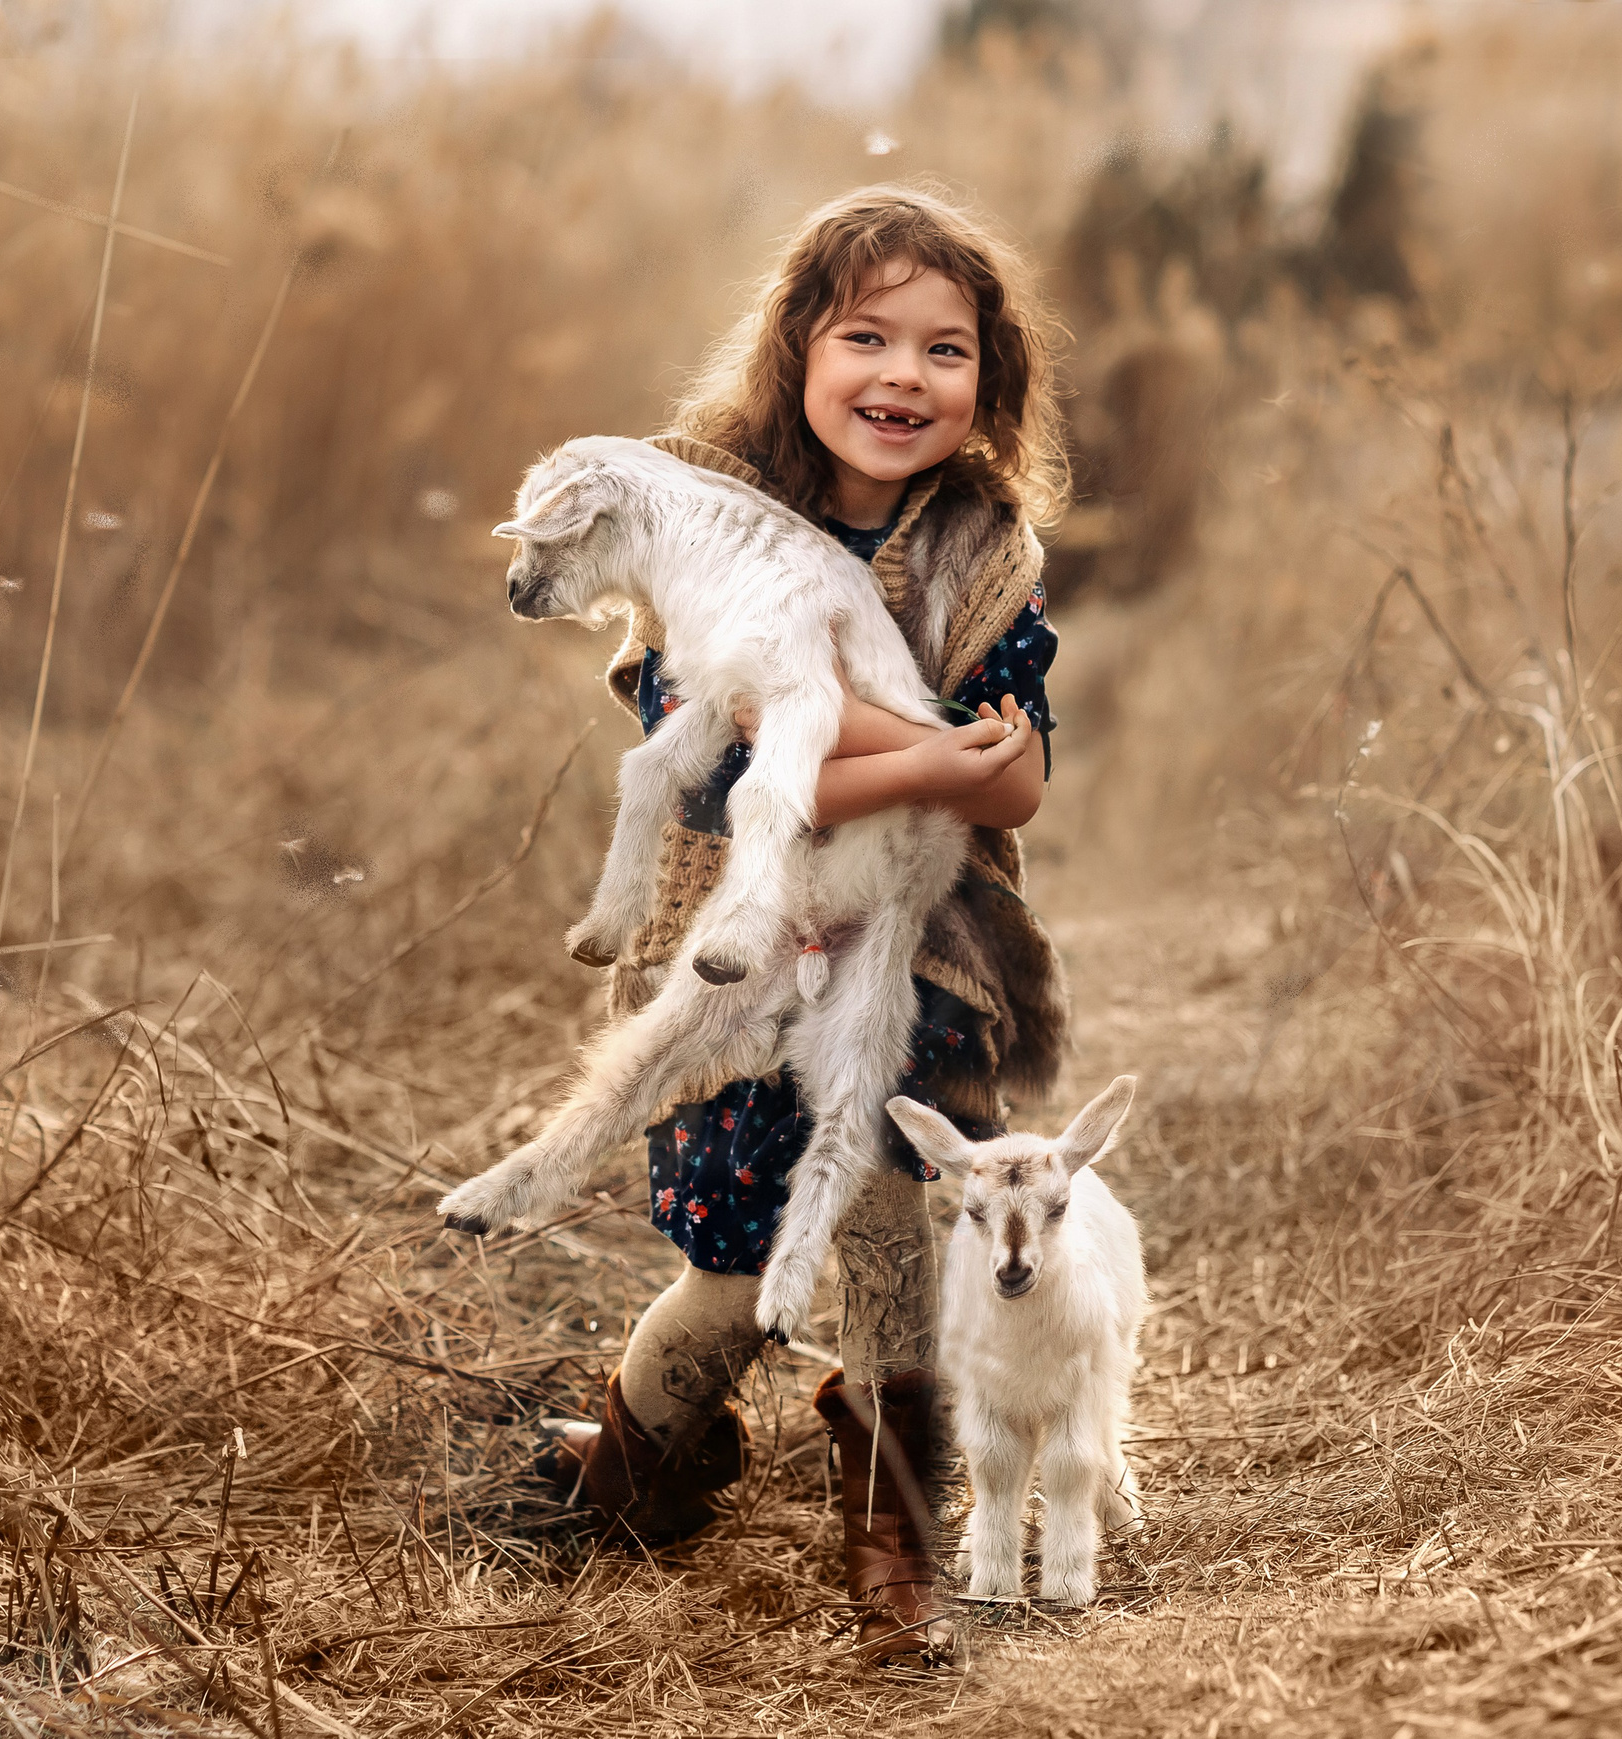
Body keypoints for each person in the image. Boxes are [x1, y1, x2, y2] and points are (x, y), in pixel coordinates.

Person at [538, 184, 1071, 1664]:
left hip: (928, 950)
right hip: (743, 949)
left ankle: (894, 1550)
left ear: (989, 384)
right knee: (732, 1270)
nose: (905, 376)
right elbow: (724, 756)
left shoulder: (986, 558)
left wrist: (934, 770)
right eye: (867, 337)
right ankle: (637, 1464)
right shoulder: (701, 532)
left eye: (945, 350)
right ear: (797, 352)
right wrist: (919, 762)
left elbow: (1016, 781)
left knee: (905, 1226)